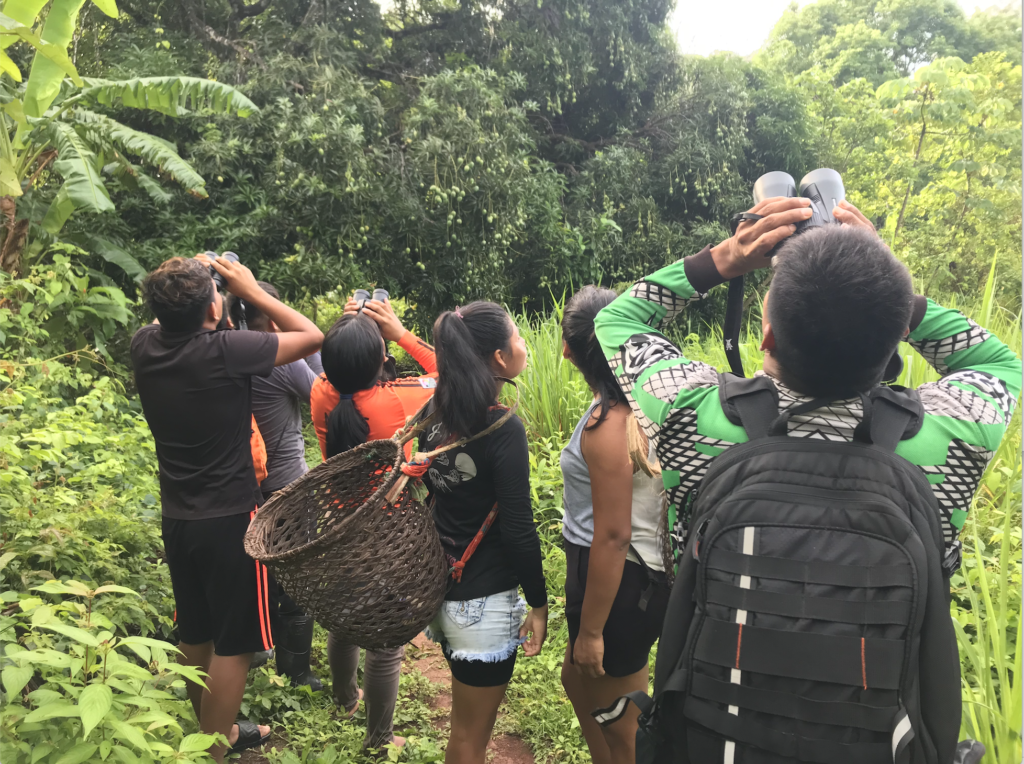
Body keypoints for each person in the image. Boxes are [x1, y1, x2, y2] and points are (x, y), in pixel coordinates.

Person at [592, 197, 1021, 761]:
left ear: (767, 337)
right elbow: (999, 365)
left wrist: (726, 258)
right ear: (894, 339)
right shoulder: (942, 438)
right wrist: (885, 286)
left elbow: (617, 318)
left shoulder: (694, 414)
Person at [131, 254, 323, 762]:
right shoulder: (227, 351)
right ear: (214, 311)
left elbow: (165, 316)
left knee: (195, 628)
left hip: (178, 519)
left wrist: (187, 282)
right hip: (232, 520)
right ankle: (211, 753)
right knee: (235, 642)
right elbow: (312, 336)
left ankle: (218, 733)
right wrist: (252, 288)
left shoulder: (145, 347)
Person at [418, 301, 548, 764]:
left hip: (444, 594)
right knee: (471, 738)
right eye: (518, 337)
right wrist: (538, 602)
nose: (523, 345)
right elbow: (517, 527)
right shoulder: (503, 429)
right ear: (497, 357)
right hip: (484, 604)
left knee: (463, 731)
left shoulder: (434, 418)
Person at [307, 295, 438, 752]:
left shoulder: (321, 390)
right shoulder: (396, 401)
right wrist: (399, 332)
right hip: (385, 531)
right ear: (383, 359)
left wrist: (352, 327)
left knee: (343, 619)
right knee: (385, 642)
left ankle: (345, 700)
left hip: (336, 524)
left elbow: (339, 369)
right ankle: (379, 740)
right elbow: (450, 372)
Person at [558, 286, 670, 764]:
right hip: (629, 577)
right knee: (575, 678)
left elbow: (612, 535)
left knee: (625, 727)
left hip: (620, 580)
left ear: (568, 351)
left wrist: (591, 631)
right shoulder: (644, 404)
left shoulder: (609, 423)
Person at [228, 283, 325, 691]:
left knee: (253, 570)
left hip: (238, 485)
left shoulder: (224, 350)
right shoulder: (279, 359)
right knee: (297, 581)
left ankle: (255, 652)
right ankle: (296, 672)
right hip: (286, 485)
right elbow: (322, 393)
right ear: (271, 317)